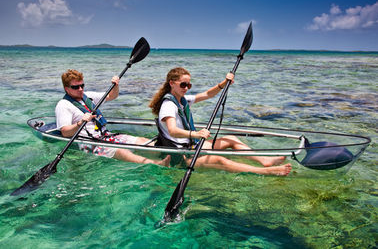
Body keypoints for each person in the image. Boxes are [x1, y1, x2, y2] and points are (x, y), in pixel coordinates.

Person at [149, 67, 292, 176]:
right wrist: (197, 134)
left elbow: (207, 94)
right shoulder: (168, 105)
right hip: (179, 156)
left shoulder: (183, 100)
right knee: (219, 160)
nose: (186, 88)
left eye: (189, 85)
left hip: (191, 146)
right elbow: (173, 131)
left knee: (230, 139)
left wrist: (225, 82)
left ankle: (265, 161)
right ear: (172, 84)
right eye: (183, 85)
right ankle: (264, 171)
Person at [55, 69, 170, 166]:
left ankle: (168, 155)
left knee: (141, 141)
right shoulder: (63, 105)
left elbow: (112, 96)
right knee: (120, 151)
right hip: (87, 142)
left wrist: (115, 85)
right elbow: (65, 132)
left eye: (82, 85)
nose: (80, 89)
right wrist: (80, 122)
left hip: (106, 136)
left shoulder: (88, 96)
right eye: (75, 87)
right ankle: (156, 164)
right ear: (66, 88)